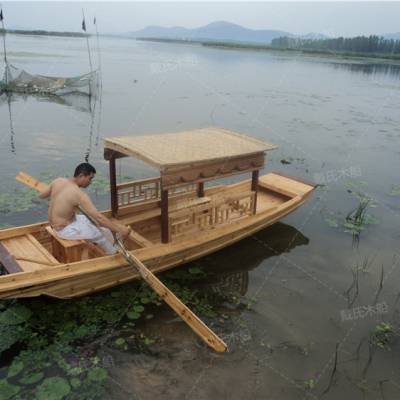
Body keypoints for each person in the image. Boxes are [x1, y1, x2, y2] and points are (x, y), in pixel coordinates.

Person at [39, 163, 131, 255]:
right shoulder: (79, 194)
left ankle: (114, 239)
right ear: (81, 176)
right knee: (98, 234)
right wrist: (120, 230)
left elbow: (42, 195)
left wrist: (57, 199)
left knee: (94, 221)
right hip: (63, 230)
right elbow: (99, 217)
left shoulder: (58, 181)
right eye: (90, 178)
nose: (90, 182)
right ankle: (114, 254)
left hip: (59, 223)